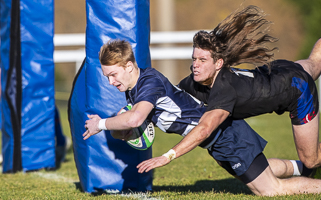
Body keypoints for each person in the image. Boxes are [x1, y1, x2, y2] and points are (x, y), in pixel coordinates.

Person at [83, 39, 321, 196]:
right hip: (217, 141)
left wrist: (100, 124)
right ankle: (304, 170)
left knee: (270, 190)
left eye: (113, 74)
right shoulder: (134, 89)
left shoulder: (148, 84)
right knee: (262, 170)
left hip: (226, 136)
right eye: (107, 77)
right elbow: (130, 124)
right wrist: (116, 126)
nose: (111, 82)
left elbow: (134, 120)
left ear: (128, 65)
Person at [137, 4, 321, 186]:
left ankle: (309, 168)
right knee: (314, 61)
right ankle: (306, 172)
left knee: (311, 159)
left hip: (297, 91)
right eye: (194, 59)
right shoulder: (195, 80)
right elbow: (170, 99)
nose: (195, 65)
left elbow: (204, 129)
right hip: (280, 70)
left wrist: (168, 156)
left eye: (202, 60)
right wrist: (138, 113)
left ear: (219, 64)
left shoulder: (224, 88)